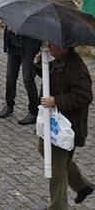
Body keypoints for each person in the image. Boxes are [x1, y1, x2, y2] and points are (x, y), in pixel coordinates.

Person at [38, 42, 94, 209]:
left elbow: (84, 95)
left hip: (67, 126)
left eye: (52, 44)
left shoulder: (77, 68)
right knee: (45, 150)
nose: (49, 46)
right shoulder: (60, 60)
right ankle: (81, 185)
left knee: (56, 169)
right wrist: (39, 65)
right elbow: (52, 80)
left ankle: (58, 206)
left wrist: (56, 101)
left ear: (63, 47)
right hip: (55, 122)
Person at [0, 0, 42, 124]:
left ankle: (34, 111)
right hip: (13, 47)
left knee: (28, 79)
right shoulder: (11, 5)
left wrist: (18, 29)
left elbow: (37, 32)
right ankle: (9, 104)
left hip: (27, 49)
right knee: (10, 77)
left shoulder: (32, 8)